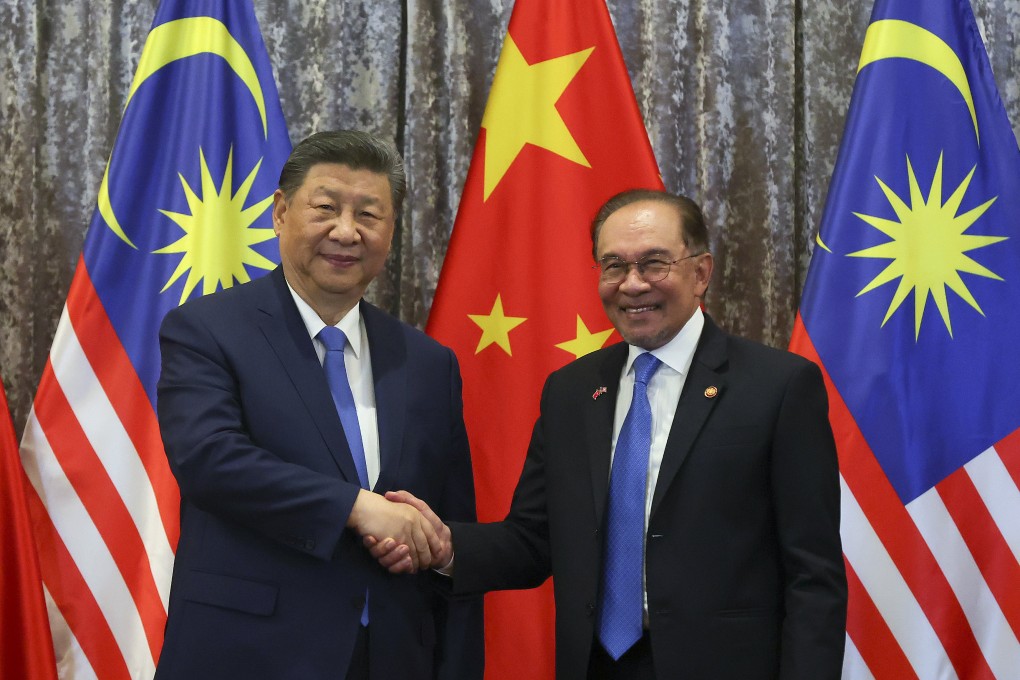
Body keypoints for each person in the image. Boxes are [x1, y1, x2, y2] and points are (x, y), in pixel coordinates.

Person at [375, 189, 847, 679]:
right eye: (614, 265)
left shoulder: (778, 386)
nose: (633, 284)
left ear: (701, 272)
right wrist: (444, 545)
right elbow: (533, 541)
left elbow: (813, 575)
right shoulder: (571, 391)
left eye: (654, 264)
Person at [155, 130, 483, 680]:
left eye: (369, 215)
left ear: (391, 229)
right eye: (326, 208)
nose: (346, 231)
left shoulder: (429, 362)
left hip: (396, 654)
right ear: (281, 212)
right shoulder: (207, 330)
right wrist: (359, 508)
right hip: (248, 652)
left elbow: (449, 523)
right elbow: (209, 460)